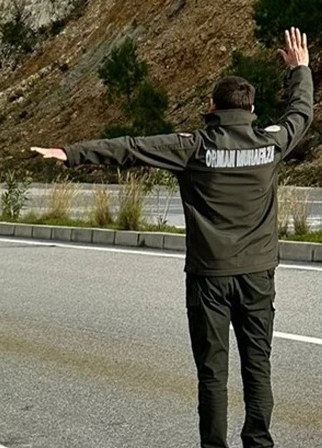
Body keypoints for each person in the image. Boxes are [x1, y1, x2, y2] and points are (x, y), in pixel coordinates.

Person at [30, 28, 313, 448]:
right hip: (257, 277)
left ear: (211, 107)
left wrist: (70, 153)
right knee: (258, 366)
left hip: (209, 279)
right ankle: (259, 442)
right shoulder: (269, 145)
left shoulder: (194, 146)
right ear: (252, 109)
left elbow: (130, 147)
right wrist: (300, 70)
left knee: (213, 372)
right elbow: (300, 114)